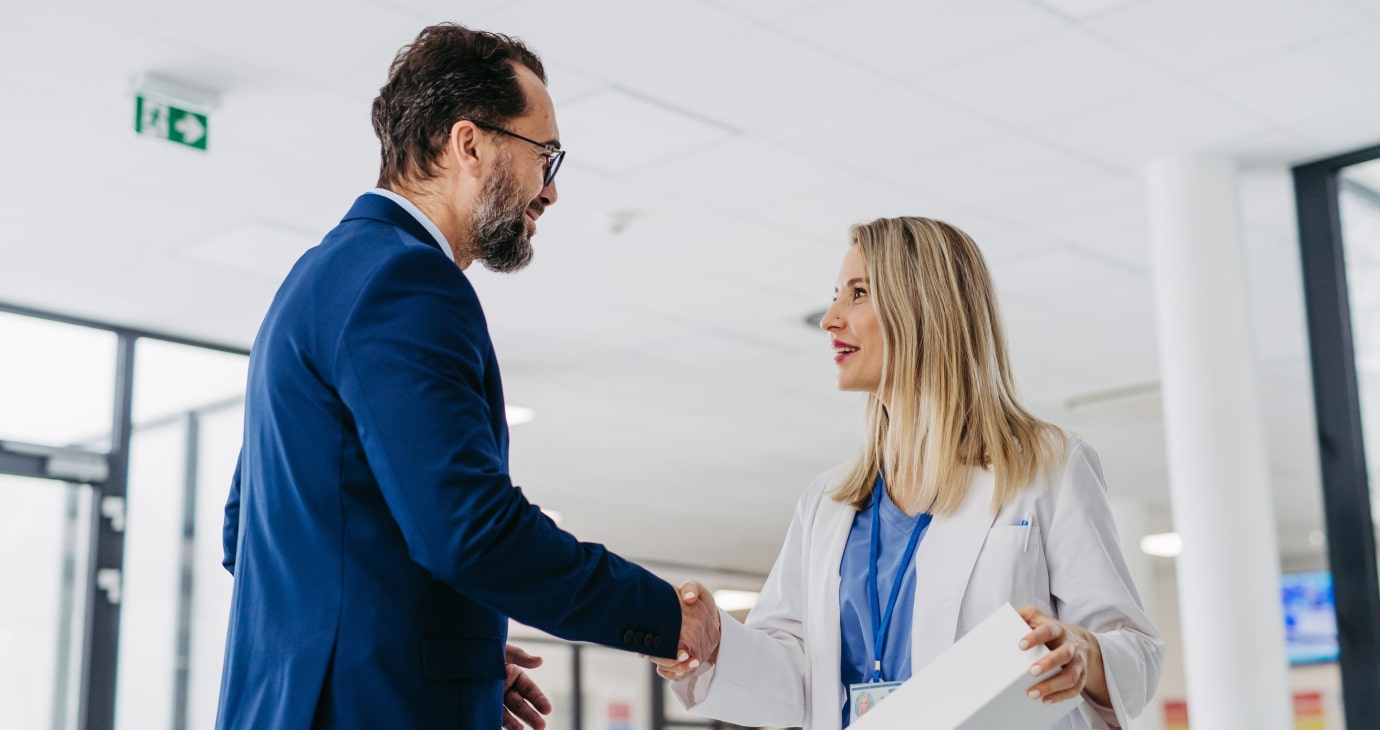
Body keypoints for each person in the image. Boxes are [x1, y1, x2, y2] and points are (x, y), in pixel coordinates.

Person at [216, 24, 717, 730]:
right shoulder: (405, 281)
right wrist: (665, 617)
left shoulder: (318, 279)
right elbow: (470, 530)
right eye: (545, 155)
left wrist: (444, 643)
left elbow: (250, 533)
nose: (550, 192)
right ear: (470, 143)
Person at [652, 217, 1164, 729]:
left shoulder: (1046, 466)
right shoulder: (826, 502)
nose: (830, 319)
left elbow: (1136, 650)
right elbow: (797, 679)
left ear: (924, 307)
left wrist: (1082, 650)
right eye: (837, 295)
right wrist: (717, 644)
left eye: (857, 294)